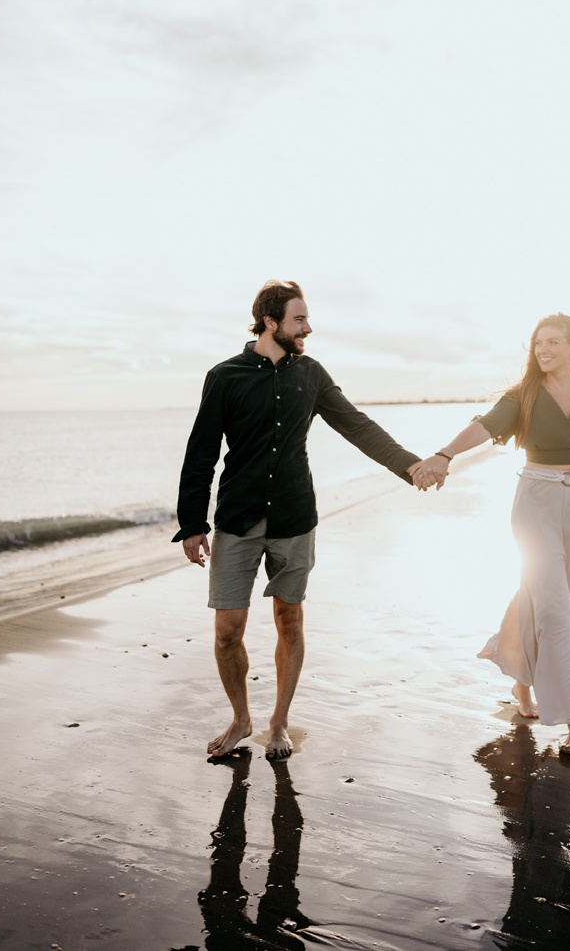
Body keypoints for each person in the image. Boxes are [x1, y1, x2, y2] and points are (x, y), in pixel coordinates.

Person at [174, 280, 422, 760]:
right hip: (238, 519)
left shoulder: (310, 373)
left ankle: (279, 723)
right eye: (299, 319)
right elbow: (201, 452)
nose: (308, 327)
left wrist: (409, 466)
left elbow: (356, 425)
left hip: (294, 516)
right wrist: (192, 523)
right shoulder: (225, 376)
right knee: (228, 629)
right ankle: (241, 719)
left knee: (290, 619)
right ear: (270, 321)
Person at [409, 313, 570, 758]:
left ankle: (521, 684)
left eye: (553, 342)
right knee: (557, 614)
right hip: (535, 504)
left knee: (540, 600)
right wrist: (445, 453)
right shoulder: (522, 395)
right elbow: (485, 426)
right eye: (538, 343)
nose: (543, 350)